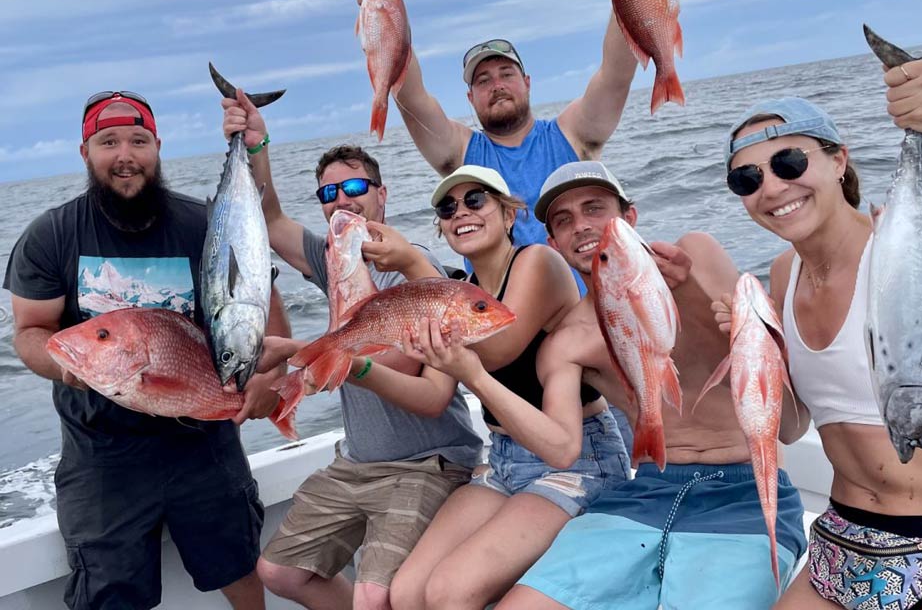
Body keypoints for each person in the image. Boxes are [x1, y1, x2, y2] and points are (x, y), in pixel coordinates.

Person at [409, 160, 807, 610]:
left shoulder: (698, 256)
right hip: (647, 490)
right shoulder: (568, 342)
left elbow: (789, 424)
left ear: (629, 218)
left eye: (595, 209)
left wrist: (691, 293)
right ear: (552, 243)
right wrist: (473, 375)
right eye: (564, 220)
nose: (581, 227)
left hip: (746, 491)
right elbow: (560, 448)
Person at [719, 59, 922, 610]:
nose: (772, 187)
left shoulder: (920, 240)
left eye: (789, 161)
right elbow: (792, 428)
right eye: (748, 178)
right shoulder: (782, 276)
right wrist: (751, 354)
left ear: (839, 160)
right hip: (844, 549)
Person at [3, 90, 290, 610]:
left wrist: (272, 378)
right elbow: (30, 330)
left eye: (138, 140)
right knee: (108, 595)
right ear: (85, 152)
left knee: (239, 568)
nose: (125, 154)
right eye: (108, 141)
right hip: (102, 455)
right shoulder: (51, 234)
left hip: (203, 442)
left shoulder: (200, 223)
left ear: (157, 147)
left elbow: (258, 298)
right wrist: (75, 371)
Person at [352, 0, 643, 448]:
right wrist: (382, 15)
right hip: (502, 352)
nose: (496, 84)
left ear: (527, 81)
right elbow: (409, 93)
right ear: (470, 98)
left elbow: (616, 72)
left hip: (592, 343)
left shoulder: (571, 133)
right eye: (483, 80)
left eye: (506, 73)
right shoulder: (460, 154)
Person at [222, 90, 484, 610]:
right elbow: (271, 221)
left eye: (355, 187)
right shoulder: (332, 259)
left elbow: (403, 367)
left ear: (381, 196)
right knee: (279, 571)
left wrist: (307, 354)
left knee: (374, 594)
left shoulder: (422, 270)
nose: (342, 200)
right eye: (328, 194)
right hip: (358, 462)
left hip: (430, 462)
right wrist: (256, 144)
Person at [385, 164, 630, 610]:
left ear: (508, 215)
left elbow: (496, 348)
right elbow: (433, 395)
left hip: (577, 460)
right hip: (501, 460)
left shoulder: (537, 262)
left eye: (476, 200)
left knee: (449, 591)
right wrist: (352, 366)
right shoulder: (462, 293)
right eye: (448, 206)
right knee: (406, 593)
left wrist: (412, 265)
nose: (461, 211)